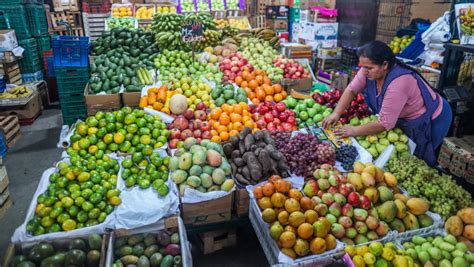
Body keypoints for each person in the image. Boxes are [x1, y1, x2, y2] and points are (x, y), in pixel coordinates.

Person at [321, 41, 452, 166]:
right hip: (403, 117)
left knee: (419, 158)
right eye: (362, 67)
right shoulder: (368, 72)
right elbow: (351, 90)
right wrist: (336, 113)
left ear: (384, 65)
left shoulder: (399, 83)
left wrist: (353, 130)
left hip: (433, 117)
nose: (364, 71)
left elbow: (385, 123)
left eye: (369, 68)